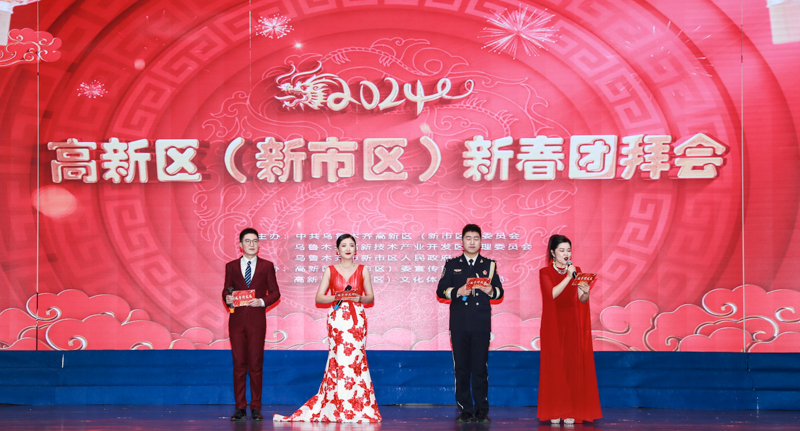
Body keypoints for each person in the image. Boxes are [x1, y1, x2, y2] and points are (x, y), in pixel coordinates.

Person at [274, 234, 382, 423]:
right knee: (339, 359)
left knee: (356, 360)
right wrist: (338, 296)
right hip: (338, 319)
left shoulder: (363, 270)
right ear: (337, 250)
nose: (348, 248)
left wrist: (359, 298)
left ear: (356, 249)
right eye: (343, 245)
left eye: (351, 245)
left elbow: (370, 297)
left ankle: (359, 407)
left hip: (356, 319)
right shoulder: (330, 270)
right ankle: (337, 406)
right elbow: (319, 297)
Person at [436, 224, 504, 423]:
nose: (472, 242)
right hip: (459, 323)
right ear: (462, 241)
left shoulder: (489, 265)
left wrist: (491, 291)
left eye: (476, 238)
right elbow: (440, 290)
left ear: (481, 241)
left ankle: (482, 409)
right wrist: (457, 291)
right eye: (468, 238)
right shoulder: (452, 264)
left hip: (481, 323)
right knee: (462, 368)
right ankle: (465, 409)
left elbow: (499, 292)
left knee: (480, 368)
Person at [537, 234, 602, 424]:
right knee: (554, 364)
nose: (566, 254)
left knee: (572, 365)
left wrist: (585, 292)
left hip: (572, 321)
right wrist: (567, 277)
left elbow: (581, 299)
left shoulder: (577, 271)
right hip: (553, 322)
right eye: (562, 250)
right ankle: (555, 409)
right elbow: (551, 295)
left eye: (568, 250)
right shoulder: (545, 272)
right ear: (553, 252)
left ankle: (570, 410)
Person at [222, 227, 281, 421]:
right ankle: (240, 407)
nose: (251, 244)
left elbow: (275, 292)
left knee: (255, 364)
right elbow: (226, 291)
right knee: (239, 365)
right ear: (241, 245)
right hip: (237, 322)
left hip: (257, 321)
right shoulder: (231, 266)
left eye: (255, 241)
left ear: (258, 244)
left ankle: (256, 407)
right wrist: (228, 298)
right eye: (247, 241)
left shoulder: (267, 266)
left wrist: (262, 301)